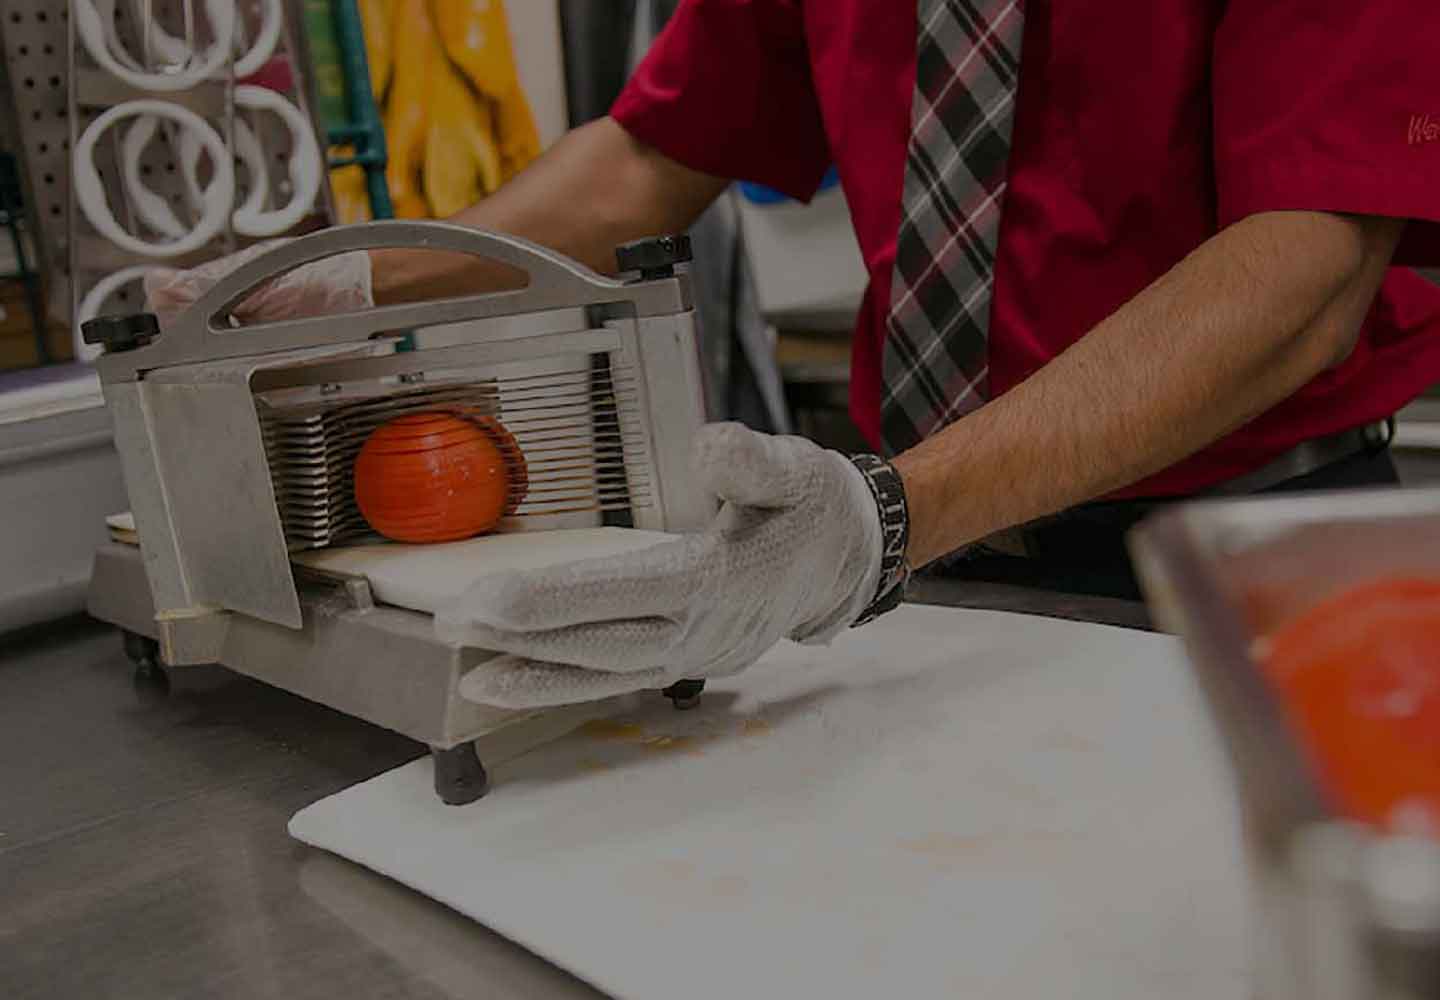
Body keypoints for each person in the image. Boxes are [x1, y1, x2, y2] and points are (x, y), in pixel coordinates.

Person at [148, 1, 1440, 708]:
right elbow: (652, 156)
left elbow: (1309, 268)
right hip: (934, 570)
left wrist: (885, 516)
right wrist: (350, 276)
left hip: (1243, 568)